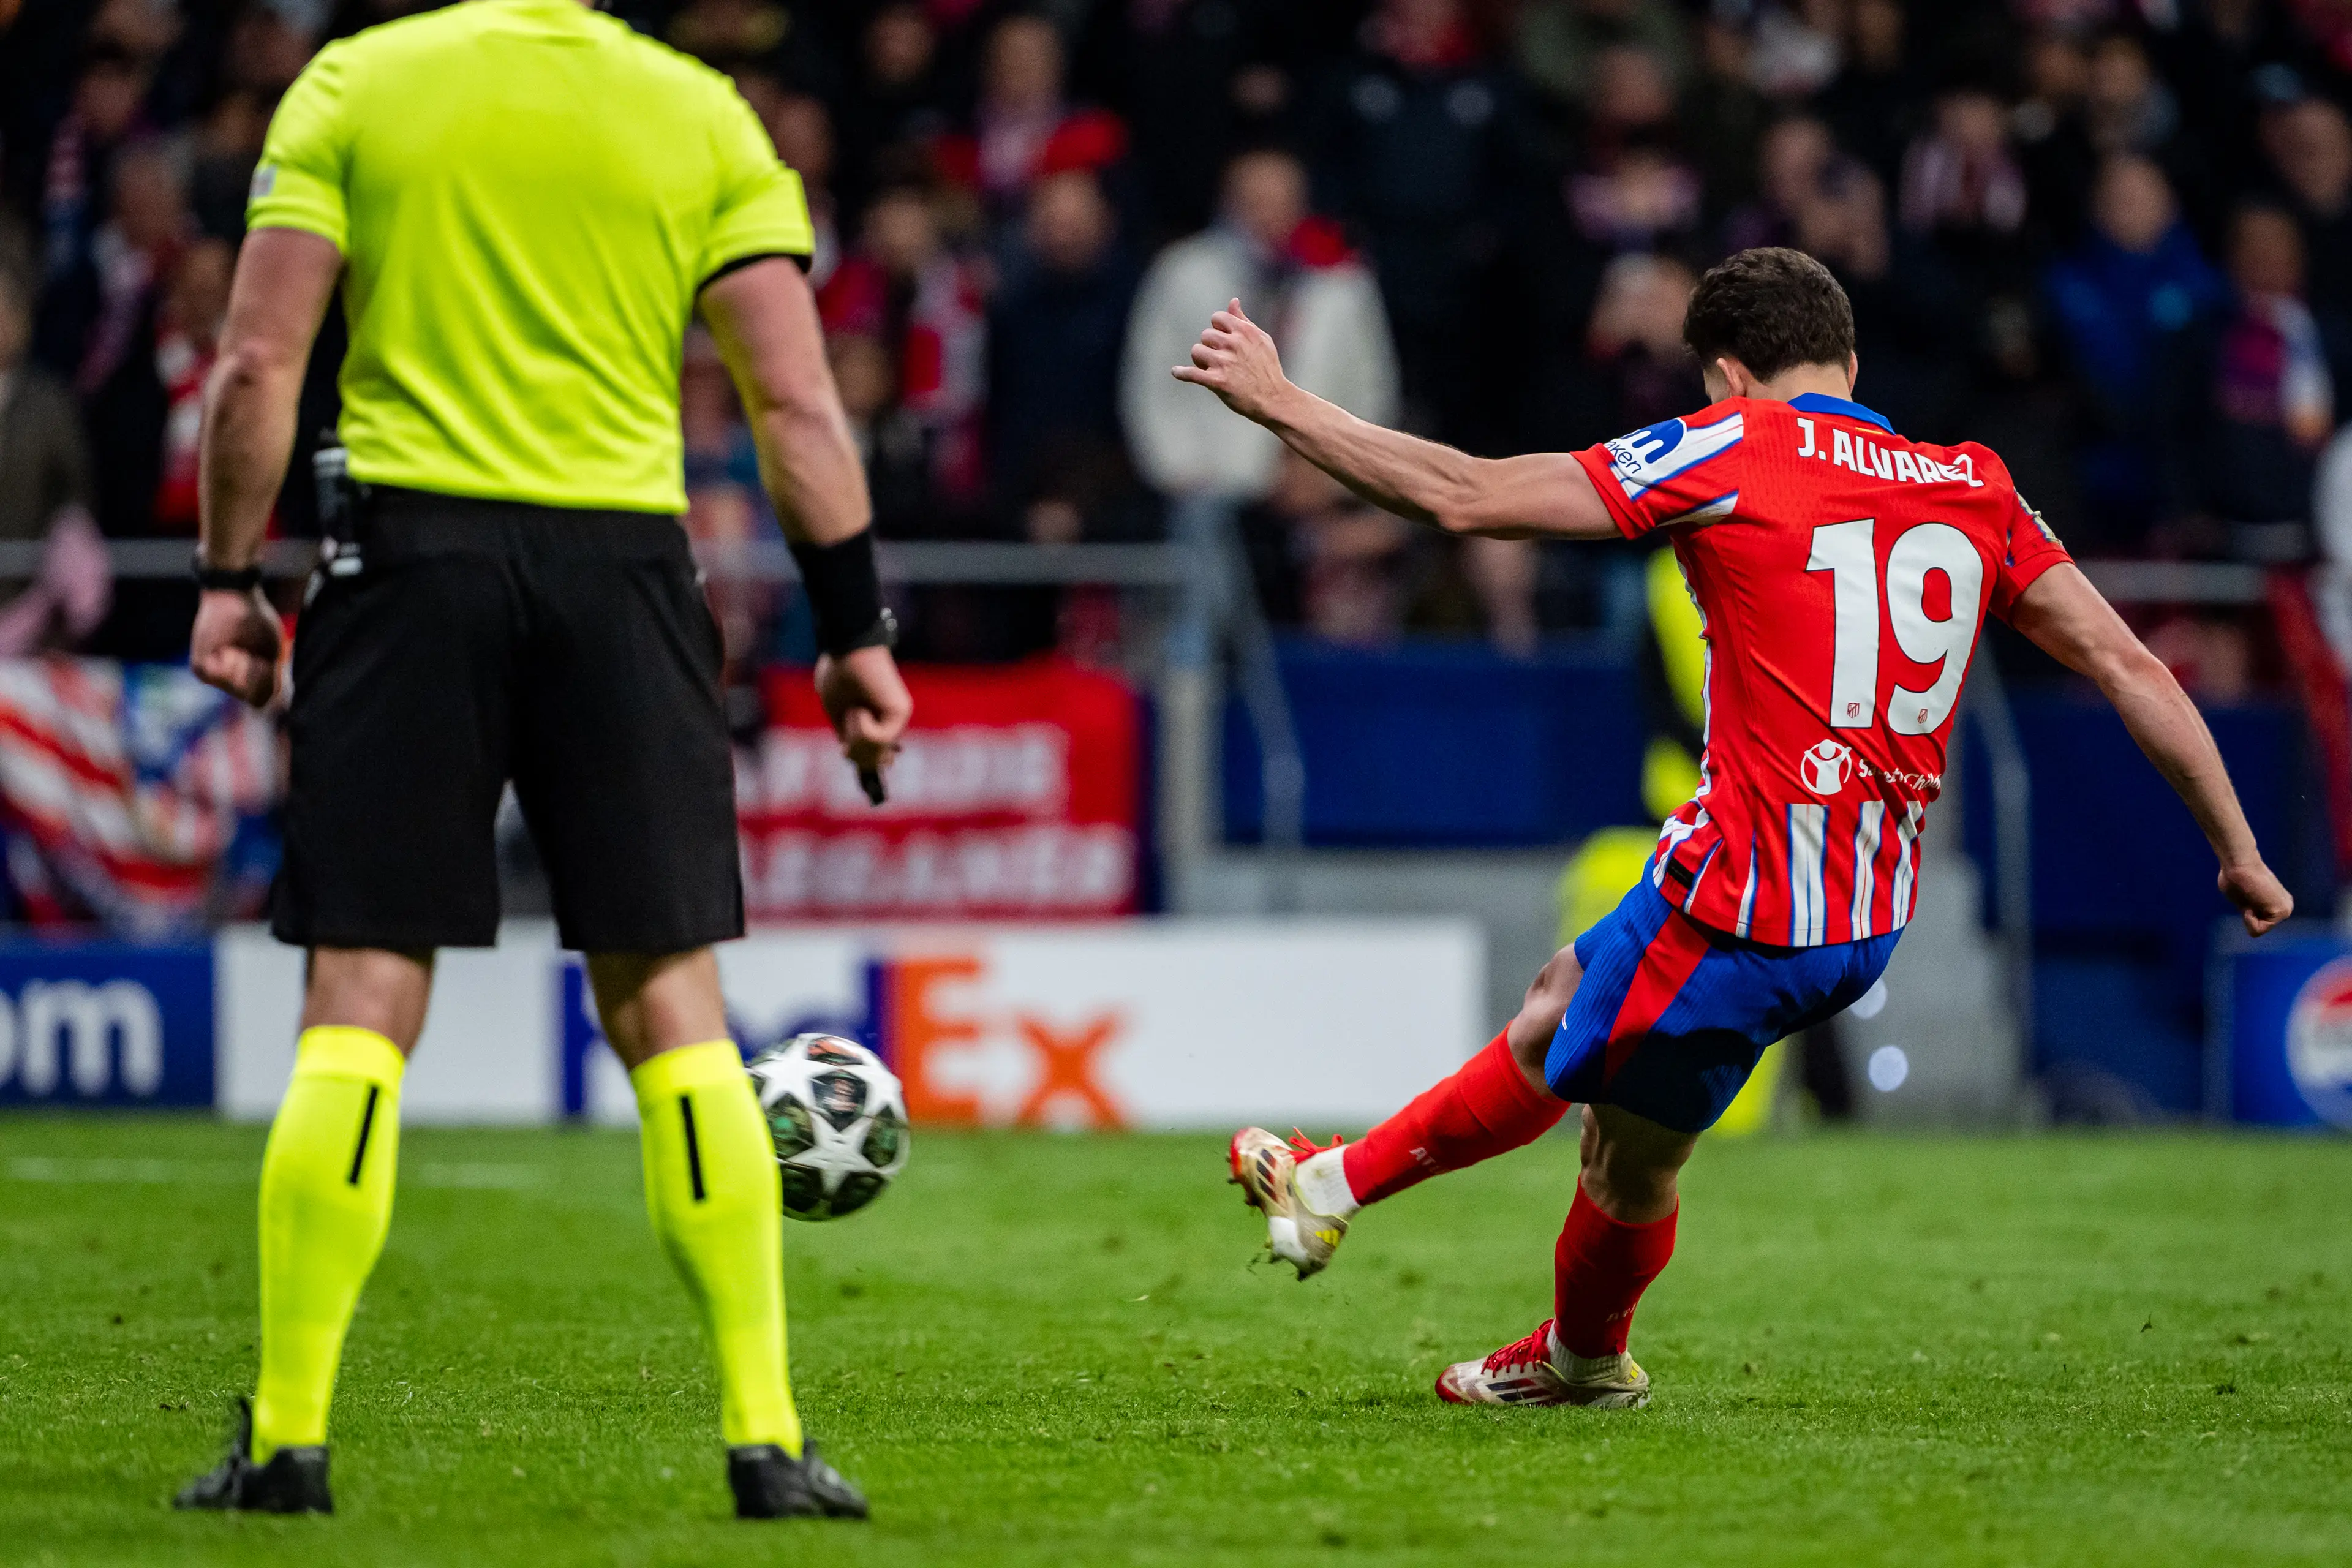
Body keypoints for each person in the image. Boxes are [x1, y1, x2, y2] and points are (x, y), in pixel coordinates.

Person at [1177, 247, 2294, 1408]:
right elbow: (2126, 662)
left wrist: (1280, 401)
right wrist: (2241, 851)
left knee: (1624, 1157)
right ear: (1850, 362)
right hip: (1856, 907)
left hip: (1747, 904)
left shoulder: (1731, 445)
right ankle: (1341, 1196)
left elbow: (1465, 495)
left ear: (1722, 377)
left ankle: (1562, 1350)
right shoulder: (1973, 482)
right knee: (1565, 999)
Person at [173, 0, 911, 1520]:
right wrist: (855, 632)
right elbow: (796, 402)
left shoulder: (356, 84)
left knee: (363, 995)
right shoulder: (701, 112)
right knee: (672, 1002)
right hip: (623, 574)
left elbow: (256, 362)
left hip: (408, 557)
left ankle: (293, 1441)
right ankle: (766, 1440)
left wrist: (226, 576)